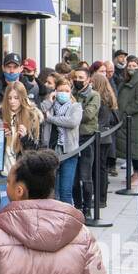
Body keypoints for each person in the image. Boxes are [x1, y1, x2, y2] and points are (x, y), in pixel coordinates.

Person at [39, 73, 82, 204]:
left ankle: (66, 221)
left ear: (71, 92)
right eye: (60, 90)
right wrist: (49, 100)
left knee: (65, 191)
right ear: (55, 91)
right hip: (50, 152)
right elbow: (39, 115)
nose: (63, 93)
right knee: (51, 192)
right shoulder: (49, 105)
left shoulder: (76, 107)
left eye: (66, 91)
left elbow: (71, 122)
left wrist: (51, 119)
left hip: (69, 153)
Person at [115, 56, 138, 188]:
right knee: (131, 149)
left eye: (134, 66)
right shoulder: (127, 80)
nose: (131, 68)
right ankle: (135, 173)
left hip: (136, 121)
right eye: (129, 66)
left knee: (137, 150)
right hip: (128, 120)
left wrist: (126, 111)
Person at [0, 80, 42, 173]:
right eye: (9, 98)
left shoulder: (32, 117)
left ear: (22, 98)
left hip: (22, 171)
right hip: (2, 169)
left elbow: (36, 151)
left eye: (16, 98)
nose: (12, 101)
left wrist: (25, 138)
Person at [71, 66, 100, 217]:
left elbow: (88, 114)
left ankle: (87, 208)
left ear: (88, 80)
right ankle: (77, 206)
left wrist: (73, 112)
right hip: (73, 138)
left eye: (81, 78)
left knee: (85, 175)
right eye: (76, 77)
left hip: (87, 137)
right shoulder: (70, 93)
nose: (77, 80)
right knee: (74, 177)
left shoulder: (94, 95)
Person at [90, 70, 118, 209]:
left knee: (99, 168)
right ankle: (101, 198)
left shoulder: (101, 100)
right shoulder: (108, 97)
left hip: (99, 138)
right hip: (105, 138)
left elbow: (100, 121)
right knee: (101, 168)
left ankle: (101, 198)